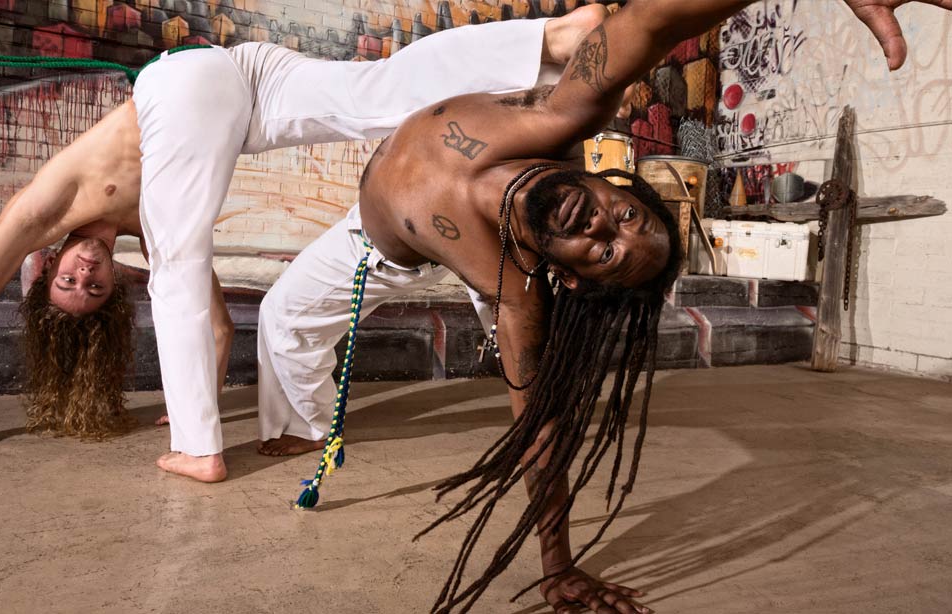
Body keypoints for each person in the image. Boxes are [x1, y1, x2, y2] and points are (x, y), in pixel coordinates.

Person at [256, 0, 952, 612]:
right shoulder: (561, 118)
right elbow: (651, 21)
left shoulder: (518, 292)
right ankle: (313, 430)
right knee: (283, 321)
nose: (601, 227)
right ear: (610, 184)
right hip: (421, 134)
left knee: (288, 312)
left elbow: (541, 430)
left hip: (376, 246)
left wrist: (557, 566)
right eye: (624, 215)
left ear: (574, 278)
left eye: (608, 253)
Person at [0, 9, 608, 452]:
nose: (86, 273)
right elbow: (217, 328)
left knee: (178, 267)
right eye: (95, 289)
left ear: (46, 270)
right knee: (374, 95)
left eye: (68, 281)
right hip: (247, 85)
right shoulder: (149, 224)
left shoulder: (43, 209)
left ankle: (196, 450)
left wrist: (192, 415)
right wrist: (197, 392)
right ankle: (551, 42)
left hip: (182, 82)